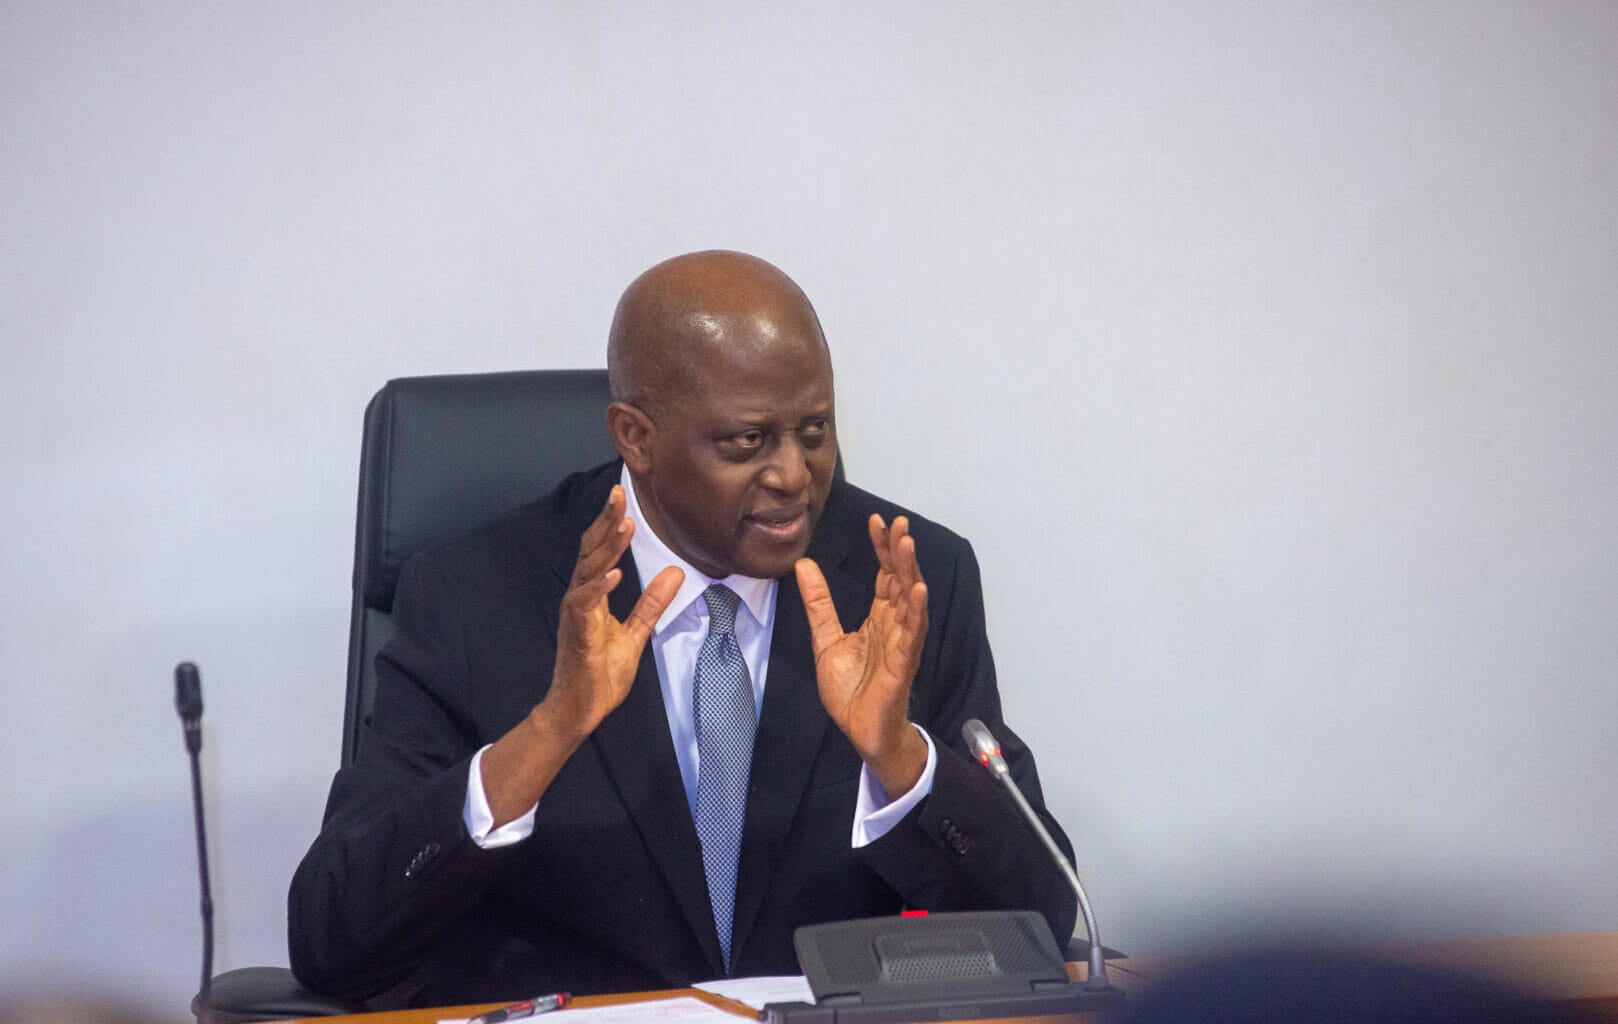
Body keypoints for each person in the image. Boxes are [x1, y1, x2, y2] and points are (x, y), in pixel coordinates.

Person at [288, 251, 1077, 1007]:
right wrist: (548, 733)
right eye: (748, 441)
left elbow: (1044, 921)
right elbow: (334, 939)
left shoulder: (901, 579)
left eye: (814, 430)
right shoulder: (476, 595)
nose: (794, 476)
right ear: (636, 435)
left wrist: (901, 757)